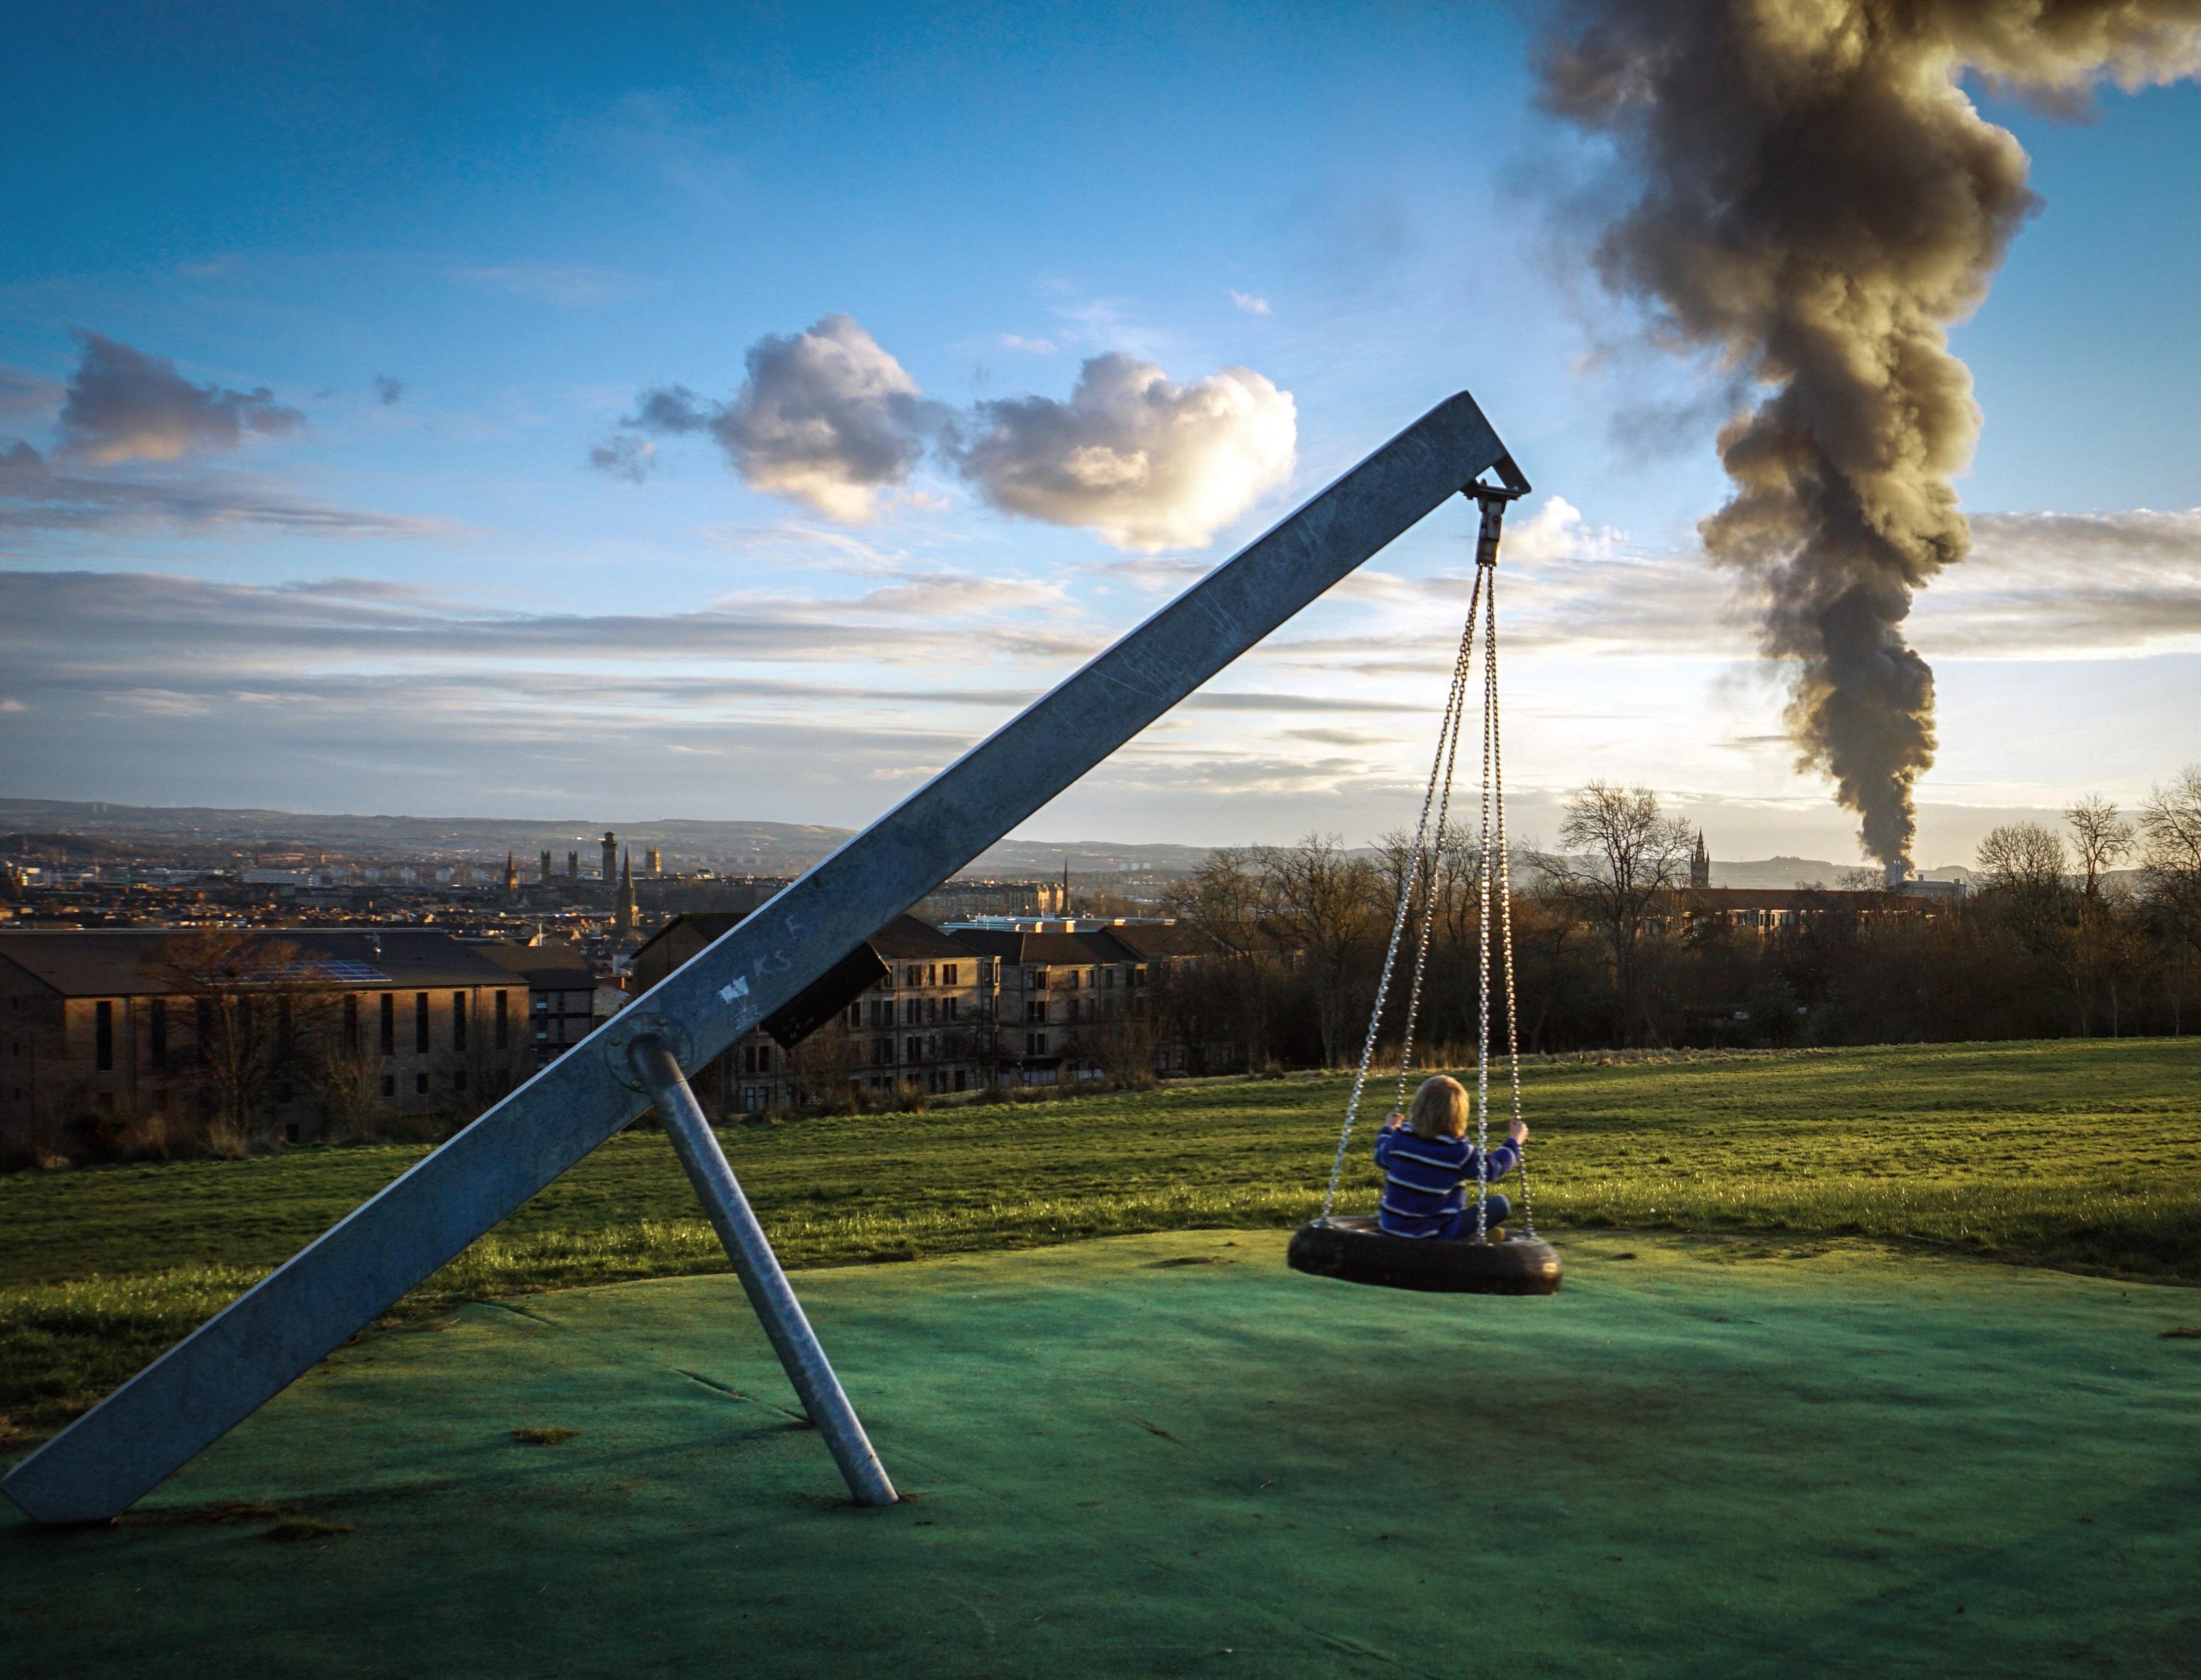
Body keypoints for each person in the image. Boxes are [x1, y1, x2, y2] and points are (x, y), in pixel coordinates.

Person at [1373, 1074, 1528, 1240]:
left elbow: (1380, 1157)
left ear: (1418, 1107)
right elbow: (1494, 1167)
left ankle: (1471, 1235)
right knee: (1500, 1205)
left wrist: (1388, 1129)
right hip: (1436, 1237)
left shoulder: (1400, 1137)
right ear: (1459, 1117)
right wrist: (1515, 1141)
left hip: (1391, 1230)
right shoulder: (1458, 1152)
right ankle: (1467, 1237)